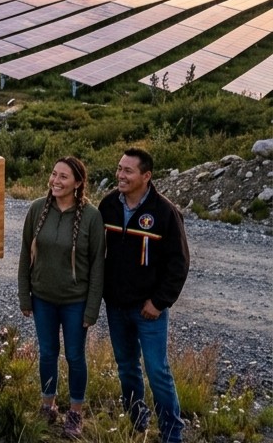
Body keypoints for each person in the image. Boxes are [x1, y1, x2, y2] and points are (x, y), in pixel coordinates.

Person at [99, 147, 190, 443]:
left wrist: (159, 302)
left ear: (146, 176)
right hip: (116, 305)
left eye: (128, 171)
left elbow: (179, 263)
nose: (120, 175)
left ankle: (172, 433)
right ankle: (137, 423)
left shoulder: (165, 212)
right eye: (119, 169)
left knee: (157, 371)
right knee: (127, 368)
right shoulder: (109, 205)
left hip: (149, 309)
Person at [18, 156, 105, 439]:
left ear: (78, 183)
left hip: (75, 302)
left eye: (63, 177)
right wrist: (24, 296)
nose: (56, 181)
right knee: (47, 353)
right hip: (42, 298)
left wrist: (91, 309)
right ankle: (48, 405)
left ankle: (75, 413)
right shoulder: (36, 209)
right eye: (54, 174)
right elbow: (24, 256)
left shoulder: (92, 217)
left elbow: (97, 268)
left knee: (75, 356)